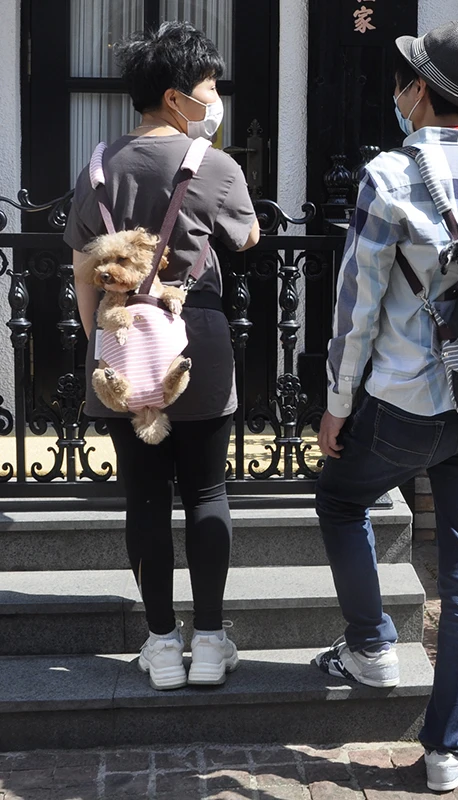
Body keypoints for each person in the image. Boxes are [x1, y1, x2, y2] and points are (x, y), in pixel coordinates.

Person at [314, 20, 458, 793]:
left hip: (406, 404)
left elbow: (357, 309)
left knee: (341, 498)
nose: (398, 90)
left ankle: (371, 642)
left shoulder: (389, 177)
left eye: (403, 79)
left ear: (418, 93)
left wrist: (336, 403)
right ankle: (449, 749)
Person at [64, 21, 259, 691]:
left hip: (121, 345)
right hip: (193, 341)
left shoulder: (96, 168)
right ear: (177, 98)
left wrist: (106, 345)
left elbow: (84, 275)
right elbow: (249, 237)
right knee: (206, 490)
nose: (215, 95)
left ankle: (159, 644)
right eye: (208, 85)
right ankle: (209, 642)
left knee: (145, 497)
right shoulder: (217, 166)